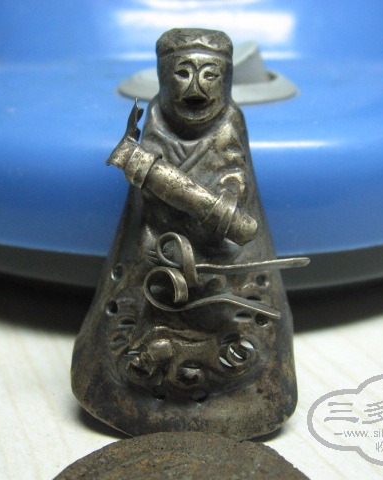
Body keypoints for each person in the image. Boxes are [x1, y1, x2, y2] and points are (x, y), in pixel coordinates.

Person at [71, 28, 301, 440]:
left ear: (226, 80)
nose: (196, 86)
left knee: (227, 288)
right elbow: (148, 201)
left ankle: (228, 365)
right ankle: (141, 360)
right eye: (182, 73)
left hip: (219, 245)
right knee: (146, 277)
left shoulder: (230, 121)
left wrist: (227, 199)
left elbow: (233, 172)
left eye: (210, 74)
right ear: (163, 77)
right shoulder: (156, 119)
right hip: (160, 240)